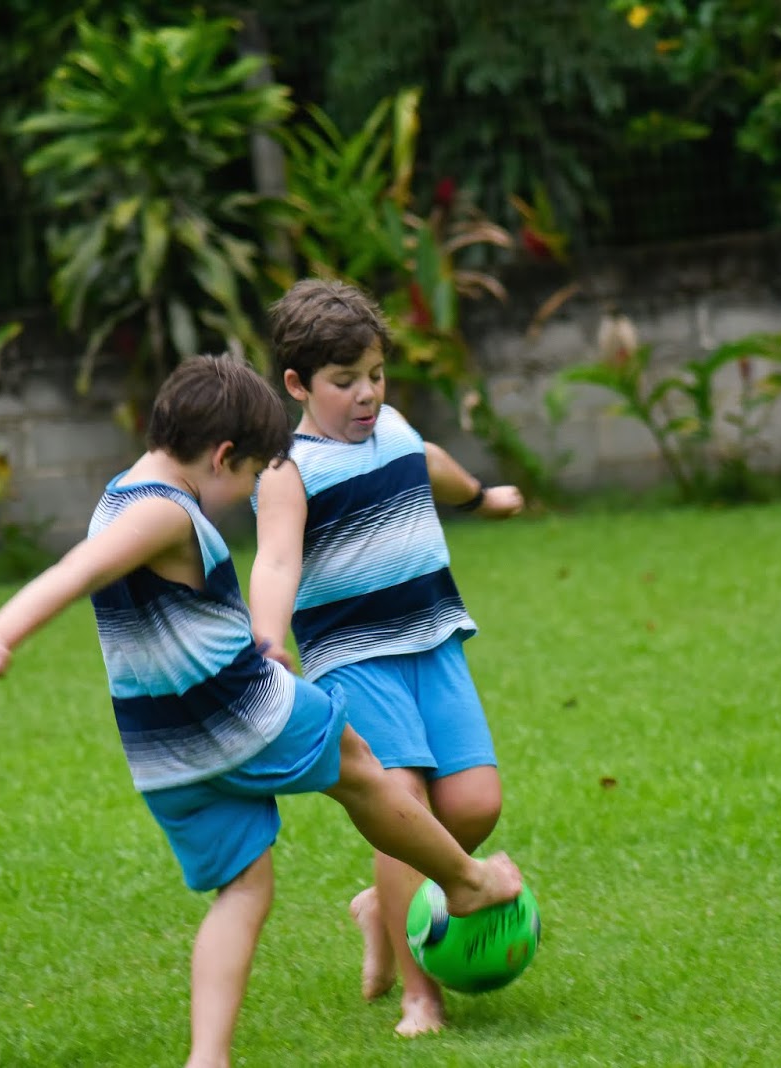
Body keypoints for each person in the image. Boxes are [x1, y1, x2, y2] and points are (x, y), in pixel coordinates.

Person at [0, 354, 522, 1068]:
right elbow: (79, 570)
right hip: (244, 710)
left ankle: (208, 1057)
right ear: (223, 456)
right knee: (361, 769)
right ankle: (468, 882)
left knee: (245, 888)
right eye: (253, 475)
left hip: (168, 754)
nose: (251, 490)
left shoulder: (118, 495)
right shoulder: (162, 511)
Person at [248, 279, 525, 1037]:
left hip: (434, 640)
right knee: (401, 806)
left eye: (375, 374)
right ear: (298, 384)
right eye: (345, 381)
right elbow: (275, 561)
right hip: (354, 658)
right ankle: (420, 997)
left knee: (475, 803)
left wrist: (480, 498)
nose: (367, 393)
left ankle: (383, 903)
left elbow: (430, 463)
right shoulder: (287, 470)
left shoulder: (394, 428)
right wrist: (268, 641)